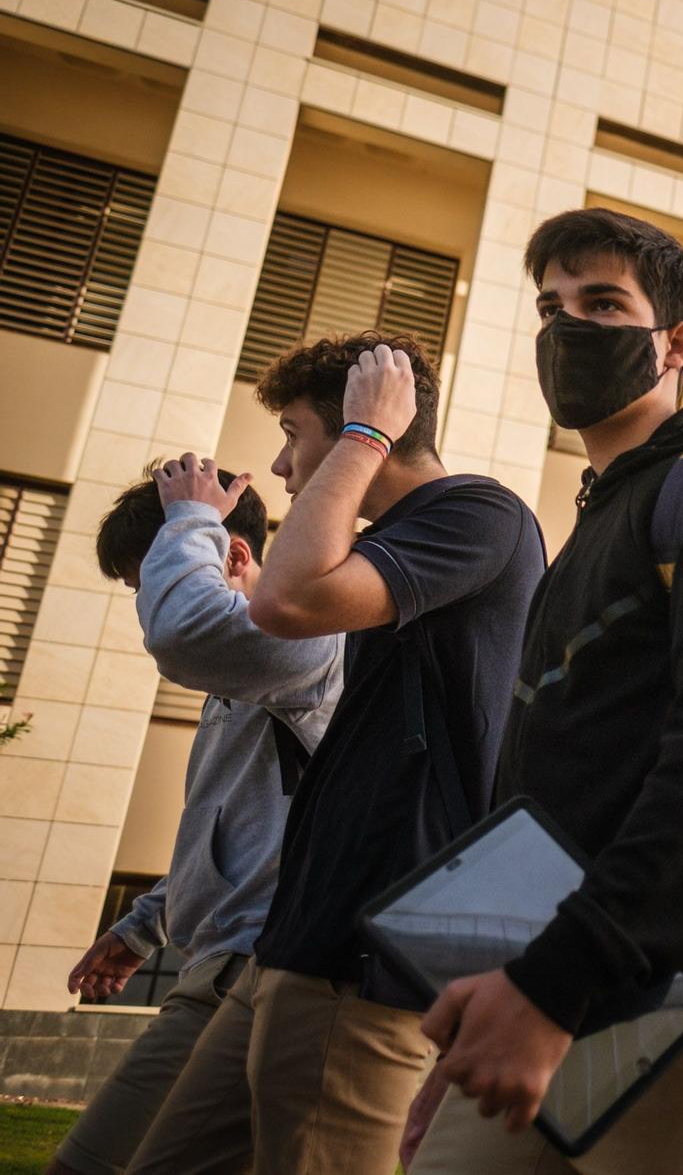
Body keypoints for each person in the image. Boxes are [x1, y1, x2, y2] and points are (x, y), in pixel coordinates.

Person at [406, 207, 683, 1173]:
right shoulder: (590, 528)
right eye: (551, 305)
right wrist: (502, 994)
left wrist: (551, 986)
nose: (568, 329)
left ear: (675, 344)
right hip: (562, 974)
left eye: (603, 302)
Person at [128, 334, 544, 1175]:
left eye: (292, 431)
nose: (282, 466)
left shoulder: (481, 513)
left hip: (368, 944)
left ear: (367, 423)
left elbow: (283, 598)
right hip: (305, 935)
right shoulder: (388, 550)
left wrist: (362, 438)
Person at [48, 459, 341, 1175]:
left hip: (258, 975)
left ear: (233, 555)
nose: (152, 601)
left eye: (157, 575)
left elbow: (183, 631)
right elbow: (241, 827)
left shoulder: (306, 643)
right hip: (217, 969)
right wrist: (146, 922)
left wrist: (191, 520)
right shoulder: (236, 683)